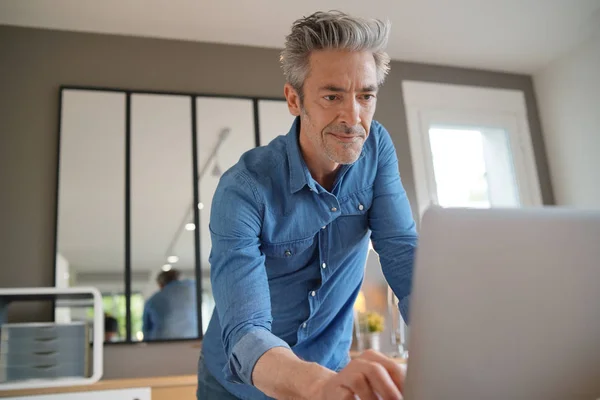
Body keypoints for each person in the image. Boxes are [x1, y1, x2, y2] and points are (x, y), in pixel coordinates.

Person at [198, 10, 418, 400]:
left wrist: (450, 352)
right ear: (294, 99)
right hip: (239, 388)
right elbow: (246, 331)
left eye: (366, 96)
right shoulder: (243, 189)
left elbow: (403, 254)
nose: (353, 117)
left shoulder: (377, 148)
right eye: (333, 96)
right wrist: (318, 386)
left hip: (330, 373)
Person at [142, 268, 198, 340]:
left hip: (161, 342)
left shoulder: (152, 300)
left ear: (160, 284)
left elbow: (146, 330)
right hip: (192, 339)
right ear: (177, 278)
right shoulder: (192, 288)